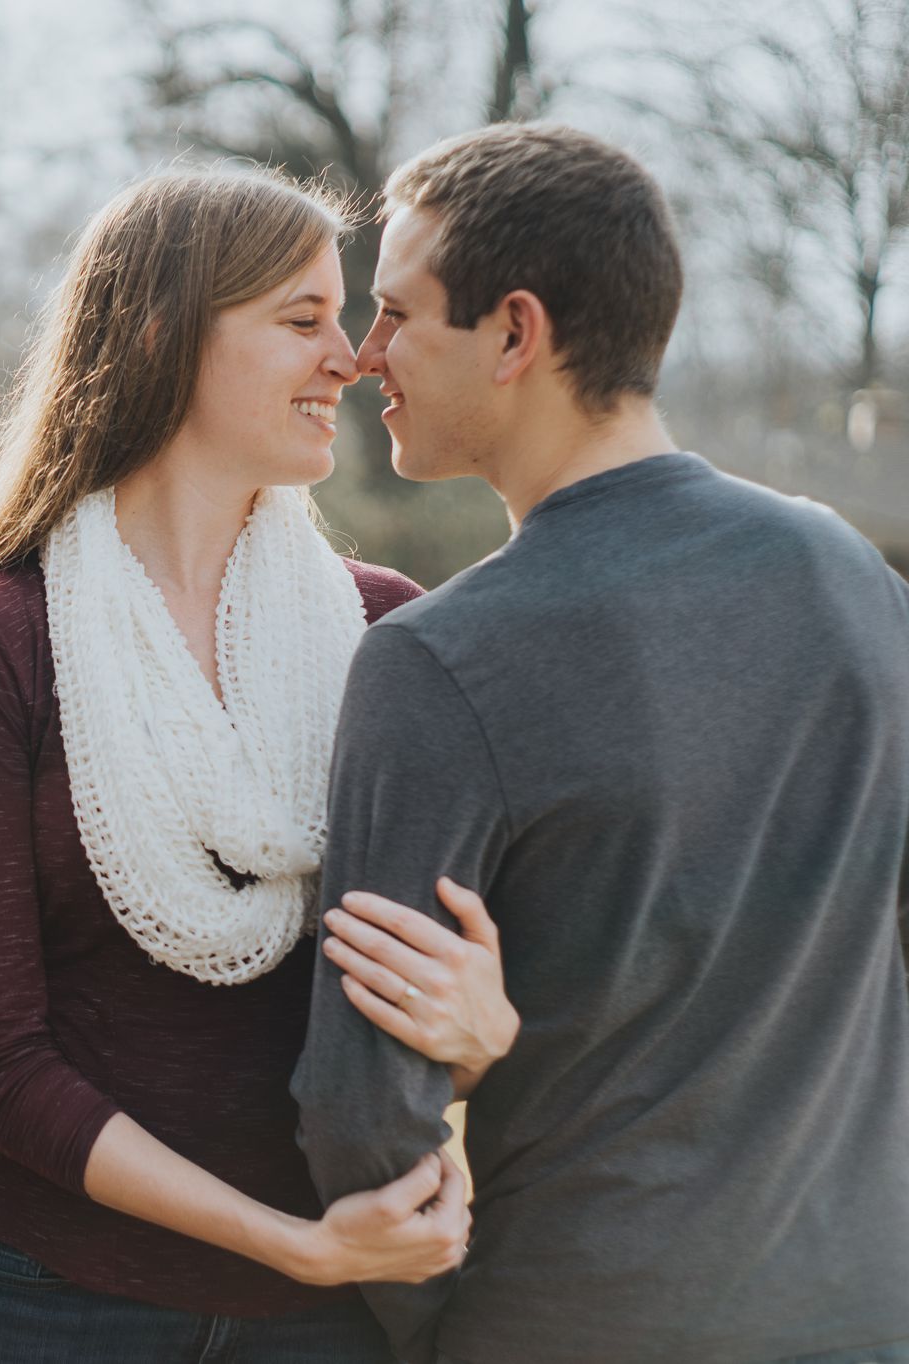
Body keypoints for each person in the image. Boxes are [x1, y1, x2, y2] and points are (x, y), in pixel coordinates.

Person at [291, 123, 909, 1364]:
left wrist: (451, 1327)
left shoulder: (438, 659)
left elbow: (360, 1107)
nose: (365, 358)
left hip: (570, 1318)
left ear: (515, 333)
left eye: (397, 314)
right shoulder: (854, 577)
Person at [0, 168, 517, 1364]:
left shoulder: (390, 636)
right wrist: (280, 1240)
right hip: (52, 1303)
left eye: (342, 319)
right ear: (157, 335)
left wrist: (490, 1030)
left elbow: (471, 965)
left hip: (335, 1311)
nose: (348, 359)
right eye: (299, 321)